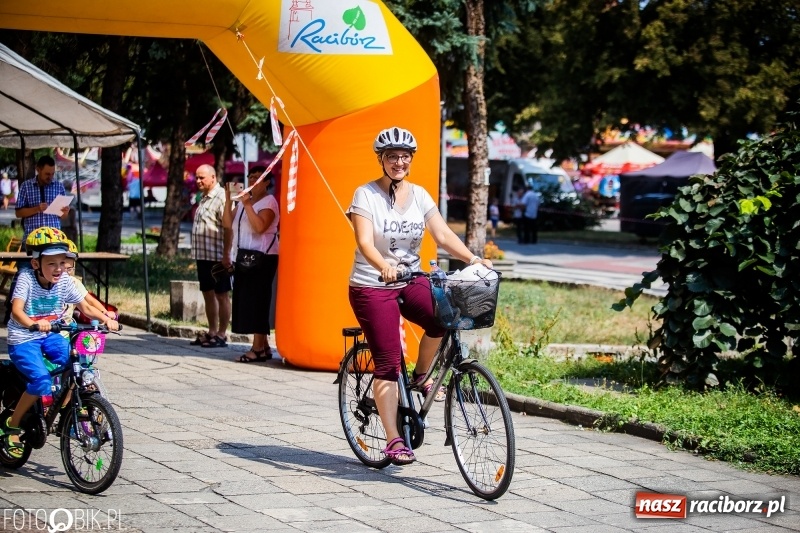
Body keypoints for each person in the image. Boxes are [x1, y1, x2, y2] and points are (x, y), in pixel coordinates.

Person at [347, 126, 493, 466]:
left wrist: (473, 258)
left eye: (405, 156)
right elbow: (365, 242)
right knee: (387, 362)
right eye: (392, 156)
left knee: (443, 318)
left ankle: (420, 377)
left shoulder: (420, 195)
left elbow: (441, 234)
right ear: (381, 159)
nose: (399, 162)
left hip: (409, 278)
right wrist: (383, 265)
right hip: (372, 285)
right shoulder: (365, 194)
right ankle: (394, 439)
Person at [0, 227, 119, 459]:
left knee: (77, 365)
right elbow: (16, 311)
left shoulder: (64, 281)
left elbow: (85, 306)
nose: (59, 269)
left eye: (62, 262)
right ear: (36, 264)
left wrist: (106, 319)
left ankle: (66, 409)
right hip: (24, 339)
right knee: (42, 382)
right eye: (51, 263)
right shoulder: (25, 278)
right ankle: (12, 425)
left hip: (50, 335)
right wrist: (34, 323)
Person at [223, 165, 279, 362]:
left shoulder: (269, 202)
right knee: (248, 300)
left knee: (258, 301)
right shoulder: (245, 201)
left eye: (258, 178)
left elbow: (260, 227)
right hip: (245, 257)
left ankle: (256, 348)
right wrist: (229, 201)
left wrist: (247, 204)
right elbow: (227, 224)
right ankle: (263, 347)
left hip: (263, 257)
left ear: (266, 182)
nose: (253, 181)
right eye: (251, 177)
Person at [189, 164, 232, 349]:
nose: (198, 181)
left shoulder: (222, 197)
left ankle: (222, 334)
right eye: (197, 177)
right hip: (203, 255)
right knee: (208, 294)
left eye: (202, 178)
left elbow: (229, 228)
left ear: (213, 177)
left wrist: (227, 254)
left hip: (217, 256)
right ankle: (212, 331)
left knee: (221, 294)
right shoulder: (204, 198)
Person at [15, 156, 71, 246]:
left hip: (54, 239)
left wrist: (65, 212)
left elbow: (63, 217)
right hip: (33, 239)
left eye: (53, 174)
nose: (50, 177)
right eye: (47, 174)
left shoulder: (59, 187)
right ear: (38, 169)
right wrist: (37, 209)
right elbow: (18, 213)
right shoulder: (26, 186)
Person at [60, 179, 78, 243]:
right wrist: (73, 224)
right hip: (69, 224)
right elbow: (72, 210)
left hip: (60, 224)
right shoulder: (72, 196)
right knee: (70, 244)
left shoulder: (59, 195)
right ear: (70, 187)